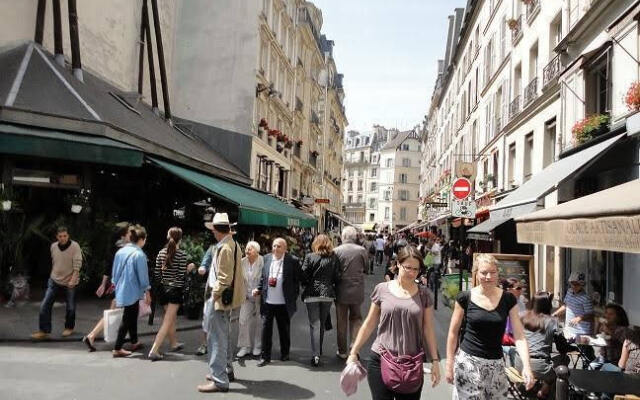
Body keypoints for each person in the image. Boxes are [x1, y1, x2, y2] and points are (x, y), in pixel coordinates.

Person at [347, 245, 441, 400]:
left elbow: (428, 329)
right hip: (381, 358)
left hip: (411, 364)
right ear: (398, 264)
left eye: (416, 269)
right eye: (407, 267)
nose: (411, 273)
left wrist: (435, 360)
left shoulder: (424, 295)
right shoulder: (382, 289)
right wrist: (353, 352)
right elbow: (369, 323)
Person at [445, 253, 534, 399]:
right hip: (468, 364)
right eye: (484, 272)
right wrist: (449, 363)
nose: (488, 277)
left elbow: (519, 335)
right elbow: (453, 333)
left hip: (496, 366)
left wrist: (527, 366)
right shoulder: (465, 297)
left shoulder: (508, 299)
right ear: (476, 273)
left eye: (492, 272)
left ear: (498, 273)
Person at [196, 213, 245, 393]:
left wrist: (213, 296)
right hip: (227, 298)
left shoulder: (225, 248)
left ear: (217, 230)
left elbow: (224, 279)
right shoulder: (232, 244)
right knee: (222, 335)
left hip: (220, 299)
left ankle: (219, 379)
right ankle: (227, 371)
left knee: (217, 338)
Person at [82, 223, 131, 351]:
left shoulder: (115, 248)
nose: (131, 234)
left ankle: (129, 338)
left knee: (119, 312)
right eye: (129, 233)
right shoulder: (124, 249)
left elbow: (108, 268)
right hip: (122, 285)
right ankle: (92, 336)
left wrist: (104, 284)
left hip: (116, 285)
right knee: (117, 312)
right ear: (123, 235)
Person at [254, 238, 300, 367]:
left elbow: (297, 281)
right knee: (265, 330)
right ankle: (265, 356)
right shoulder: (267, 258)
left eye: (279, 246)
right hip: (267, 302)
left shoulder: (293, 261)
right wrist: (258, 289)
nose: (275, 248)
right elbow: (263, 277)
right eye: (274, 246)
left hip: (283, 303)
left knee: (284, 330)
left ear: (285, 248)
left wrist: (293, 296)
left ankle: (285, 353)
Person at [31, 226, 83, 340]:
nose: (63, 238)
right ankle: (44, 330)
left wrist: (73, 280)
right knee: (45, 305)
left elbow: (77, 266)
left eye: (65, 236)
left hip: (70, 281)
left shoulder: (75, 246)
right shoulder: (53, 246)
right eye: (60, 236)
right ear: (57, 237)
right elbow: (55, 262)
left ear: (68, 236)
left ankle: (69, 327)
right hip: (54, 280)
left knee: (71, 307)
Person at [148, 227, 191, 361]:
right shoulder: (182, 254)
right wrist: (188, 269)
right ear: (181, 239)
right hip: (174, 292)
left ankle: (173, 343)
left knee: (170, 318)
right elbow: (180, 276)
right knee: (167, 321)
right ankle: (154, 350)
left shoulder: (161, 253)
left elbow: (157, 274)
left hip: (163, 291)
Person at [111, 225, 151, 357]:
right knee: (128, 318)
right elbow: (143, 277)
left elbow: (115, 274)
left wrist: (115, 286)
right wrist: (147, 293)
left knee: (132, 315)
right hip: (133, 290)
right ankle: (117, 347)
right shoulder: (139, 254)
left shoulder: (120, 252)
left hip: (121, 288)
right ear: (141, 239)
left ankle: (134, 341)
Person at [300, 234, 340, 366]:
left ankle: (315, 354)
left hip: (312, 293)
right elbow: (337, 276)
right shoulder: (334, 258)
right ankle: (319, 350)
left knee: (314, 325)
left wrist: (308, 283)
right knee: (321, 323)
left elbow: (303, 275)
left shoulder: (310, 256)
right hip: (327, 293)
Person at [515, 292, 558, 399]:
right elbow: (561, 346)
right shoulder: (552, 321)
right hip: (541, 366)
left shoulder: (522, 316)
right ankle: (546, 388)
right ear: (548, 305)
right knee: (563, 360)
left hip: (520, 364)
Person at [334, 226, 367, 360]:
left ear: (343, 237)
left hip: (341, 289)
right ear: (355, 237)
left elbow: (334, 270)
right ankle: (354, 349)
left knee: (341, 321)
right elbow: (366, 267)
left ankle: (342, 351)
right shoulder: (362, 250)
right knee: (356, 319)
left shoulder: (336, 251)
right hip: (357, 289)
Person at [236, 241, 264, 358]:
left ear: (257, 251)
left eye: (250, 249)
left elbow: (265, 278)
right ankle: (245, 346)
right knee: (243, 319)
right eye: (246, 249)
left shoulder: (263, 261)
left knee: (259, 321)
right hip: (246, 296)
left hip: (260, 296)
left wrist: (259, 290)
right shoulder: (242, 262)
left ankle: (257, 346)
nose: (247, 251)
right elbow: (239, 280)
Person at [551, 272, 594, 341]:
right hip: (569, 330)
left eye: (576, 284)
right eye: (572, 284)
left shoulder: (586, 298)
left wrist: (579, 318)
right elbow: (566, 305)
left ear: (581, 285)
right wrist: (555, 314)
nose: (574, 286)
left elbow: (590, 315)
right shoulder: (569, 291)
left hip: (581, 332)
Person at [590, 304, 629, 370]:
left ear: (618, 317)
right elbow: (595, 336)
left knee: (594, 368)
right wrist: (597, 324)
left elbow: (625, 343)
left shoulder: (623, 329)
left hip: (615, 361)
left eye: (611, 314)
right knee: (591, 366)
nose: (607, 316)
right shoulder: (606, 326)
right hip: (602, 358)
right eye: (606, 313)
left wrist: (609, 331)